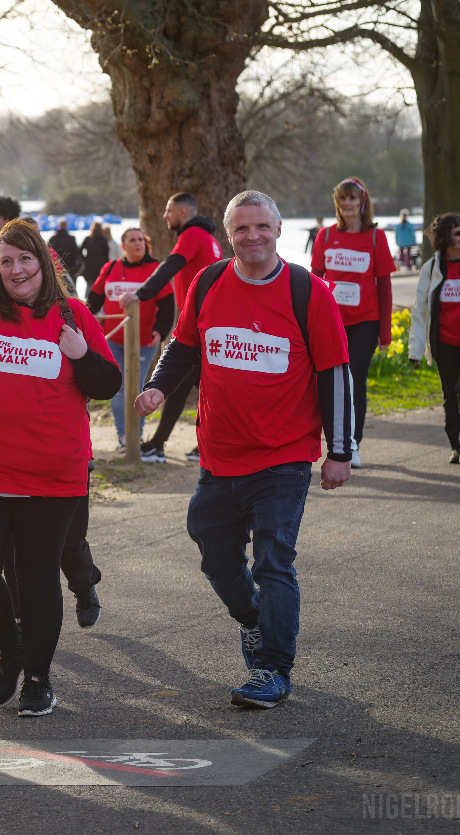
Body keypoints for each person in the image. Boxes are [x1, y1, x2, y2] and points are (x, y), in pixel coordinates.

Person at [135, 189, 354, 709]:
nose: (252, 237)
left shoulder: (308, 291)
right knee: (212, 551)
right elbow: (184, 346)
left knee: (273, 559)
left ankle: (272, 669)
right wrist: (158, 387)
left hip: (283, 454)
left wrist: (339, 450)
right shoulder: (210, 281)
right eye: (241, 229)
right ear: (228, 235)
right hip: (218, 453)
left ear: (279, 229)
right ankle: (254, 619)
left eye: (261, 227)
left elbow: (335, 373)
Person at [0, 156, 121, 717]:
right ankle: (11, 650)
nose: (15, 269)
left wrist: (81, 356)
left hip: (50, 476)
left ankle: (38, 675)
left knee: (36, 577)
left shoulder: (72, 315)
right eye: (6, 260)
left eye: (24, 259)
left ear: (43, 261)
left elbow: (106, 382)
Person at [119, 191, 223, 464]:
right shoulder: (211, 239)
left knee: (189, 386)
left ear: (183, 213)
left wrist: (140, 294)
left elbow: (170, 265)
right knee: (197, 387)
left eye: (169, 210)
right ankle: (170, 444)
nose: (165, 216)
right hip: (207, 323)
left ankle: (165, 445)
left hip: (201, 326)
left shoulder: (193, 235)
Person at [309, 177, 395, 468]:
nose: (347, 204)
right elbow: (315, 280)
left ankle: (351, 444)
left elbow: (384, 286)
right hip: (331, 321)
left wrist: (385, 331)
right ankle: (325, 441)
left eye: (353, 199)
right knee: (325, 380)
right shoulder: (325, 236)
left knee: (354, 380)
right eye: (342, 199)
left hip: (365, 321)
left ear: (363, 203)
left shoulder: (375, 237)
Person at [408, 214, 460, 464]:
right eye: (458, 233)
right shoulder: (431, 268)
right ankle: (455, 443)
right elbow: (420, 310)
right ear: (444, 237)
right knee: (449, 394)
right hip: (444, 344)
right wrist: (416, 350)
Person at [87, 227, 175, 449]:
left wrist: (160, 331)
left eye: (141, 240)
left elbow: (167, 305)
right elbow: (94, 298)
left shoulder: (155, 269)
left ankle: (136, 436)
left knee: (136, 387)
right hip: (113, 338)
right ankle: (124, 437)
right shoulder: (111, 267)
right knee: (118, 386)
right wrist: (88, 323)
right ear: (123, 246)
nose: (138, 244)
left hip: (144, 341)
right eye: (132, 240)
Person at [48, 219, 82, 293]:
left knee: (58, 292)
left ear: (58, 227)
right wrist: (75, 269)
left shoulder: (53, 239)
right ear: (66, 226)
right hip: (70, 269)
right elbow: (76, 254)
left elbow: (48, 255)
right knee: (71, 291)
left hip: (56, 270)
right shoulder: (71, 239)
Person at [79, 222, 110, 298]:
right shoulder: (103, 240)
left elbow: (80, 250)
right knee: (100, 284)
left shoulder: (88, 239)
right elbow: (107, 252)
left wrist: (84, 259)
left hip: (90, 264)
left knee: (89, 285)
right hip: (100, 264)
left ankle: (87, 302)